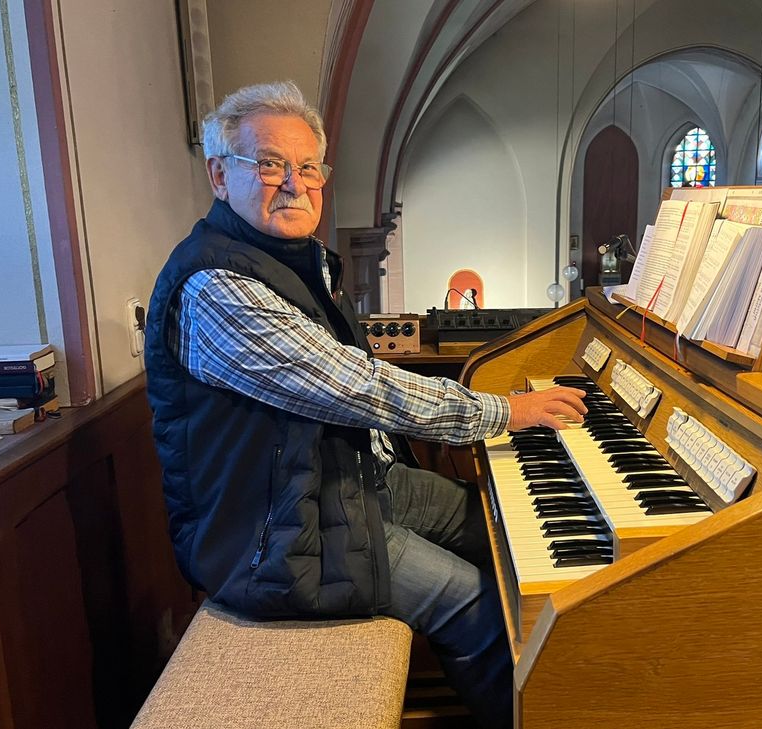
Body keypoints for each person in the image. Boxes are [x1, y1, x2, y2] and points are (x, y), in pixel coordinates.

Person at [143, 81, 586, 729]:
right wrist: (502, 413)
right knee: (473, 602)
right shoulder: (215, 286)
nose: (293, 184)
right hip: (271, 538)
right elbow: (355, 386)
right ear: (219, 175)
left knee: (499, 525)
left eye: (308, 168)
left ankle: (589, 685)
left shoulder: (289, 262)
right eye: (268, 164)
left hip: (340, 486)